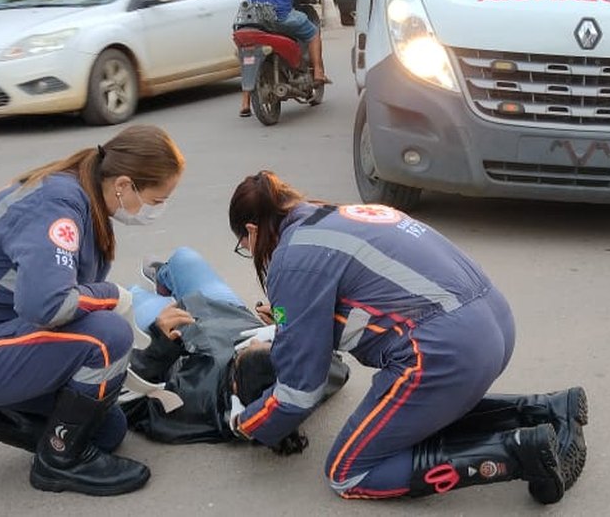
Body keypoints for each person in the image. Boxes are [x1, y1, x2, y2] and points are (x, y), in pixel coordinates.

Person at [225, 171, 589, 503]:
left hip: (445, 353)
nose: (252, 253)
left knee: (348, 471)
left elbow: (300, 390)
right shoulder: (341, 215)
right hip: (494, 325)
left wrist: (246, 423)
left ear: (252, 231)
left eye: (244, 245)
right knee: (406, 420)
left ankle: (517, 453)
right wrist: (291, 321)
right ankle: (547, 410)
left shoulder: (292, 258)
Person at [0, 125, 185, 496]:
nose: (156, 210)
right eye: (156, 200)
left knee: (107, 430)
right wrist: (114, 295)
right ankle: (58, 463)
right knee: (107, 337)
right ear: (124, 184)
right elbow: (49, 305)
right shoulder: (58, 205)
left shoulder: (81, 197)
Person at [118, 247, 349, 449]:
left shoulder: (196, 402)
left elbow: (129, 404)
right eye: (268, 342)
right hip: (227, 311)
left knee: (128, 296)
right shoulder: (305, 382)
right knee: (184, 258)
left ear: (236, 384)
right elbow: (332, 360)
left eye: (248, 349)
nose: (257, 340)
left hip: (175, 330)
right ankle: (164, 280)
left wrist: (159, 346)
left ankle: (157, 293)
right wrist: (284, 324)